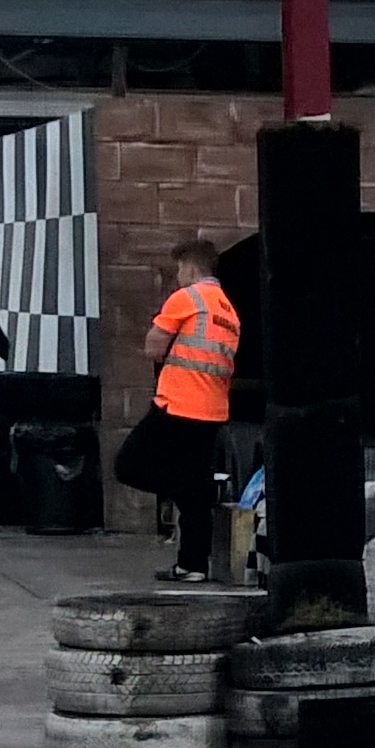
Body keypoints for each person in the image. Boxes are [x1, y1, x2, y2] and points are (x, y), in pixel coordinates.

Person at [121, 239, 240, 581]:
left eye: (178, 269)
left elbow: (153, 348)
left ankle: (191, 492)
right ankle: (193, 565)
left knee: (129, 465)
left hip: (177, 404)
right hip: (212, 410)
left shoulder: (187, 299)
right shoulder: (228, 311)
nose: (177, 276)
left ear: (190, 267)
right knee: (194, 485)